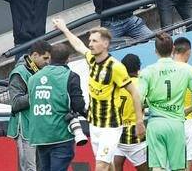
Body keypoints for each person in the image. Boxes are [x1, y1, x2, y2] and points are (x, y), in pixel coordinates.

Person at [54, 19, 145, 171]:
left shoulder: (116, 67)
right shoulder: (91, 59)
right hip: (94, 124)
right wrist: (64, 28)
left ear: (105, 44)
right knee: (107, 166)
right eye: (90, 41)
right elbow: (78, 45)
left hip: (111, 126)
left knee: (101, 167)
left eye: (94, 41)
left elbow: (134, 92)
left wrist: (140, 121)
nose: (90, 44)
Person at [138, 33, 192, 171]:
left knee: (158, 167)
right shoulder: (187, 71)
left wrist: (148, 104)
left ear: (155, 51)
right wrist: (186, 111)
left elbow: (139, 100)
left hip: (156, 123)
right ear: (172, 48)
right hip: (176, 123)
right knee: (179, 167)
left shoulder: (147, 72)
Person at [26, 42, 85, 171]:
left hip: (40, 135)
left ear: (50, 57)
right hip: (60, 134)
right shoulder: (70, 76)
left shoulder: (33, 78)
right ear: (68, 59)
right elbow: (78, 105)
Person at [8, 40, 52, 171]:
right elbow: (15, 103)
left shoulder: (41, 71)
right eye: (45, 58)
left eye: (49, 58)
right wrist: (37, 95)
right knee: (29, 168)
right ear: (35, 55)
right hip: (25, 128)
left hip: (39, 127)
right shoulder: (19, 73)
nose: (48, 62)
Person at [172, 37, 192, 168]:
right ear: (189, 51)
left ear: (173, 49)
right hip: (185, 121)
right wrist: (190, 110)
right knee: (185, 164)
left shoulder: (160, 70)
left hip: (165, 121)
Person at [113, 54, 148, 171]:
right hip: (134, 133)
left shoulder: (117, 84)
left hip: (117, 131)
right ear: (138, 68)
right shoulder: (140, 84)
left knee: (116, 165)